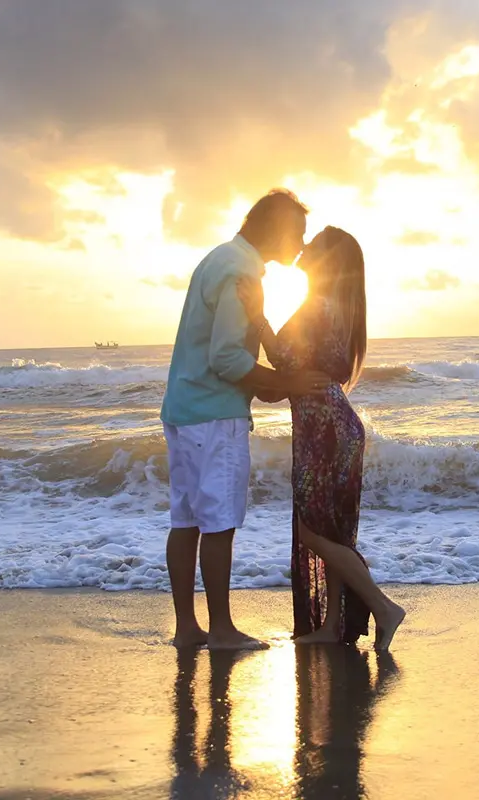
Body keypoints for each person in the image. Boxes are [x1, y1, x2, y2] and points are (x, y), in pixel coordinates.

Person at [160, 189, 330, 650]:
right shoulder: (242, 271)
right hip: (215, 415)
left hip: (183, 409)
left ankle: (187, 628)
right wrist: (289, 384)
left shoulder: (219, 258)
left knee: (187, 520)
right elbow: (227, 358)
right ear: (275, 228)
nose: (299, 243)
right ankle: (221, 631)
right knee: (217, 524)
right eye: (296, 232)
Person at [237, 226, 406, 650]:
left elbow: (284, 358)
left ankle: (384, 608)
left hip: (325, 428)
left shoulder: (317, 305)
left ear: (327, 260)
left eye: (314, 245)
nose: (305, 246)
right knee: (331, 532)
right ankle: (332, 626)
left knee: (314, 532)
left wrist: (257, 318)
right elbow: (294, 371)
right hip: (335, 425)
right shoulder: (337, 306)